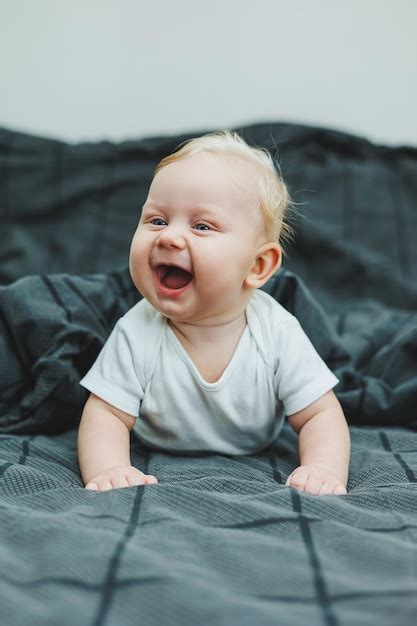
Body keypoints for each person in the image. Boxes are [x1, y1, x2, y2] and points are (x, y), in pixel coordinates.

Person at [78, 130, 350, 496]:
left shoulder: (277, 331)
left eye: (202, 226)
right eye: (157, 220)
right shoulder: (137, 329)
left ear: (258, 265)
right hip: (156, 444)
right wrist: (110, 468)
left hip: (256, 445)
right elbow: (107, 414)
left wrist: (321, 467)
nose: (169, 238)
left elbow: (319, 414)